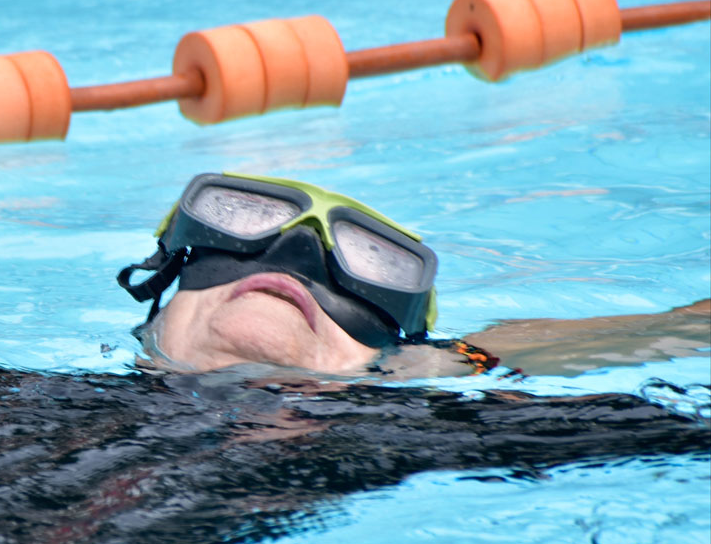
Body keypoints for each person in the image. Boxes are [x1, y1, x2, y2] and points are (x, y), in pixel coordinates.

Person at [119, 173, 710, 379]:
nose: (296, 255)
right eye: (244, 220)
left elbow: (487, 353)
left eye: (372, 263)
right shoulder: (28, 403)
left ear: (400, 365)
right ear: (158, 311)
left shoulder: (419, 427)